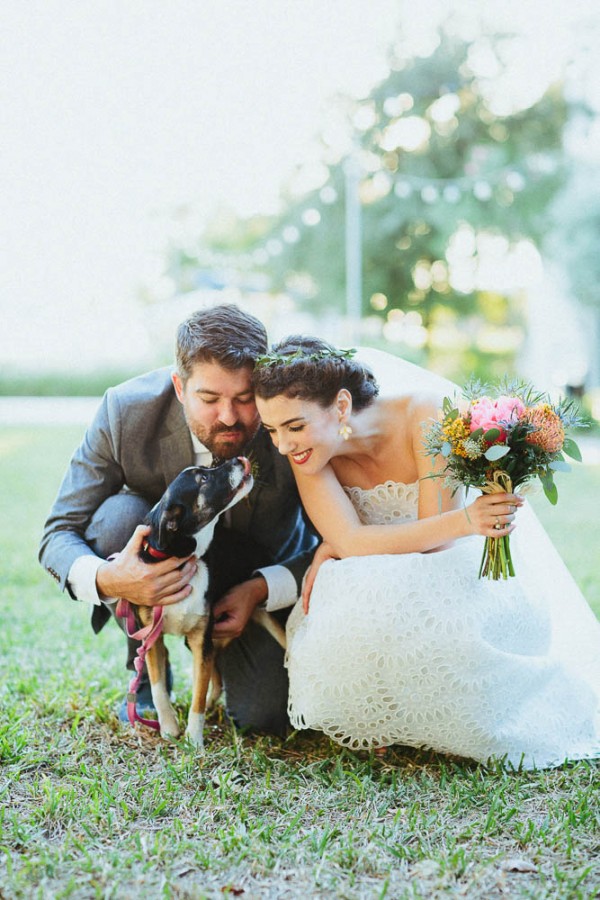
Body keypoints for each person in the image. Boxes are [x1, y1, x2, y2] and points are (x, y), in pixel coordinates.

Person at [252, 336, 600, 768]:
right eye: (272, 430)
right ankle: (380, 719)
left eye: (294, 426)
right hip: (389, 564)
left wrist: (459, 525)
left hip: (450, 566)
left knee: (385, 582)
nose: (283, 446)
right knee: (341, 583)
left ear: (341, 407)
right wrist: (341, 545)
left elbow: (440, 543)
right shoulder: (309, 457)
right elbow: (351, 542)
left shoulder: (426, 412)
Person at [39, 305, 317, 735]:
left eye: (244, 399)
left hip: (255, 579)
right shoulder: (124, 412)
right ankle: (150, 671)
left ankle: (226, 663)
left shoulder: (290, 417)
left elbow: (331, 542)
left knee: (266, 715)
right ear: (180, 386)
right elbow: (59, 533)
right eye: (209, 399)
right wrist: (115, 580)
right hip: (157, 573)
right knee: (120, 519)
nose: (228, 416)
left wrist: (262, 588)